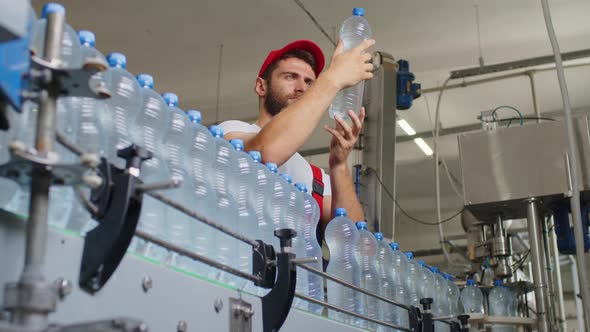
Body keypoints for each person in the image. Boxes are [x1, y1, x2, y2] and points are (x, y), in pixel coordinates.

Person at [219, 38, 374, 241]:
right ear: (260, 86)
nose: (302, 88)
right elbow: (265, 153)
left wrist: (339, 165)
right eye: (290, 77)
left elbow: (354, 241)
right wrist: (333, 78)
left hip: (294, 273)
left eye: (310, 82)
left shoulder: (317, 179)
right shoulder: (230, 131)